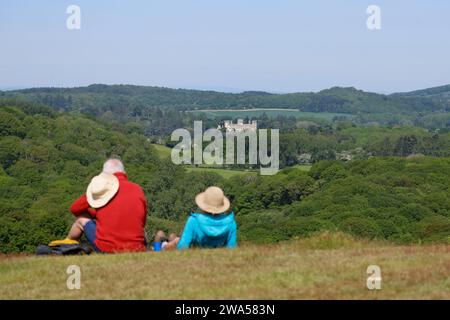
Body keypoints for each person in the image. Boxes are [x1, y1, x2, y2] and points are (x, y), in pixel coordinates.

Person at [54, 159, 147, 253]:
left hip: (107, 248)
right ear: (124, 172)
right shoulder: (138, 189)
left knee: (81, 220)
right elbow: (142, 222)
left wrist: (94, 213)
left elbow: (74, 208)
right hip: (137, 247)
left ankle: (66, 244)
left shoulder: (102, 189)